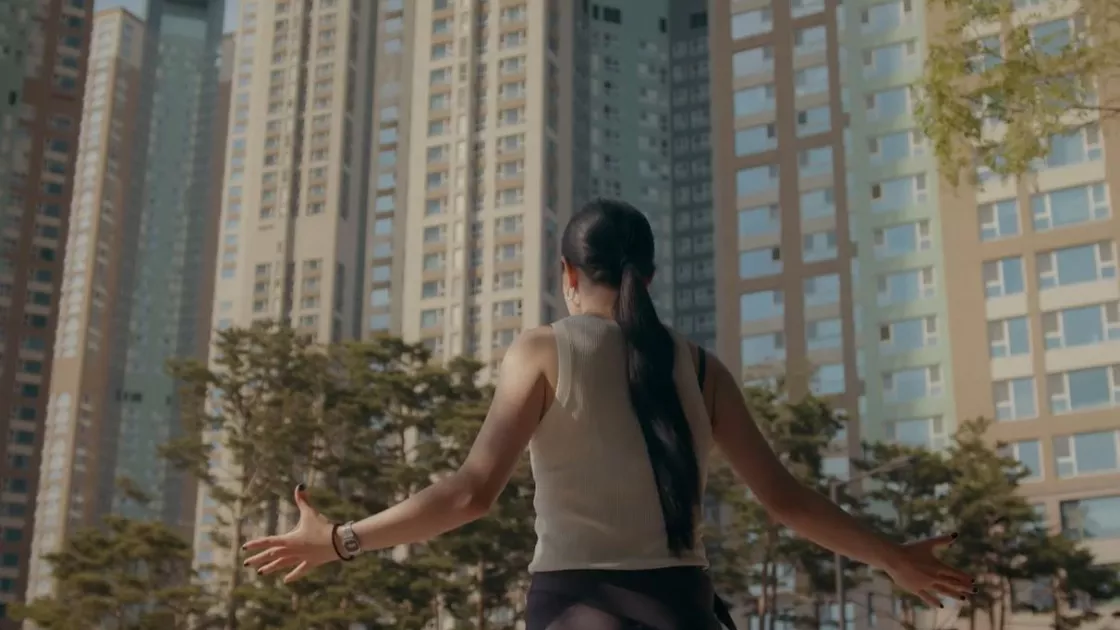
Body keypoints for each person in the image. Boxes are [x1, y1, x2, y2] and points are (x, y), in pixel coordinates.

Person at [243, 199, 972, 629]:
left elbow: (470, 495)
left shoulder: (542, 350)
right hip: (684, 609)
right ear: (648, 277)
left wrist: (339, 540)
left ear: (567, 274)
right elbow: (784, 500)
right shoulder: (697, 366)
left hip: (577, 611)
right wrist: (891, 556)